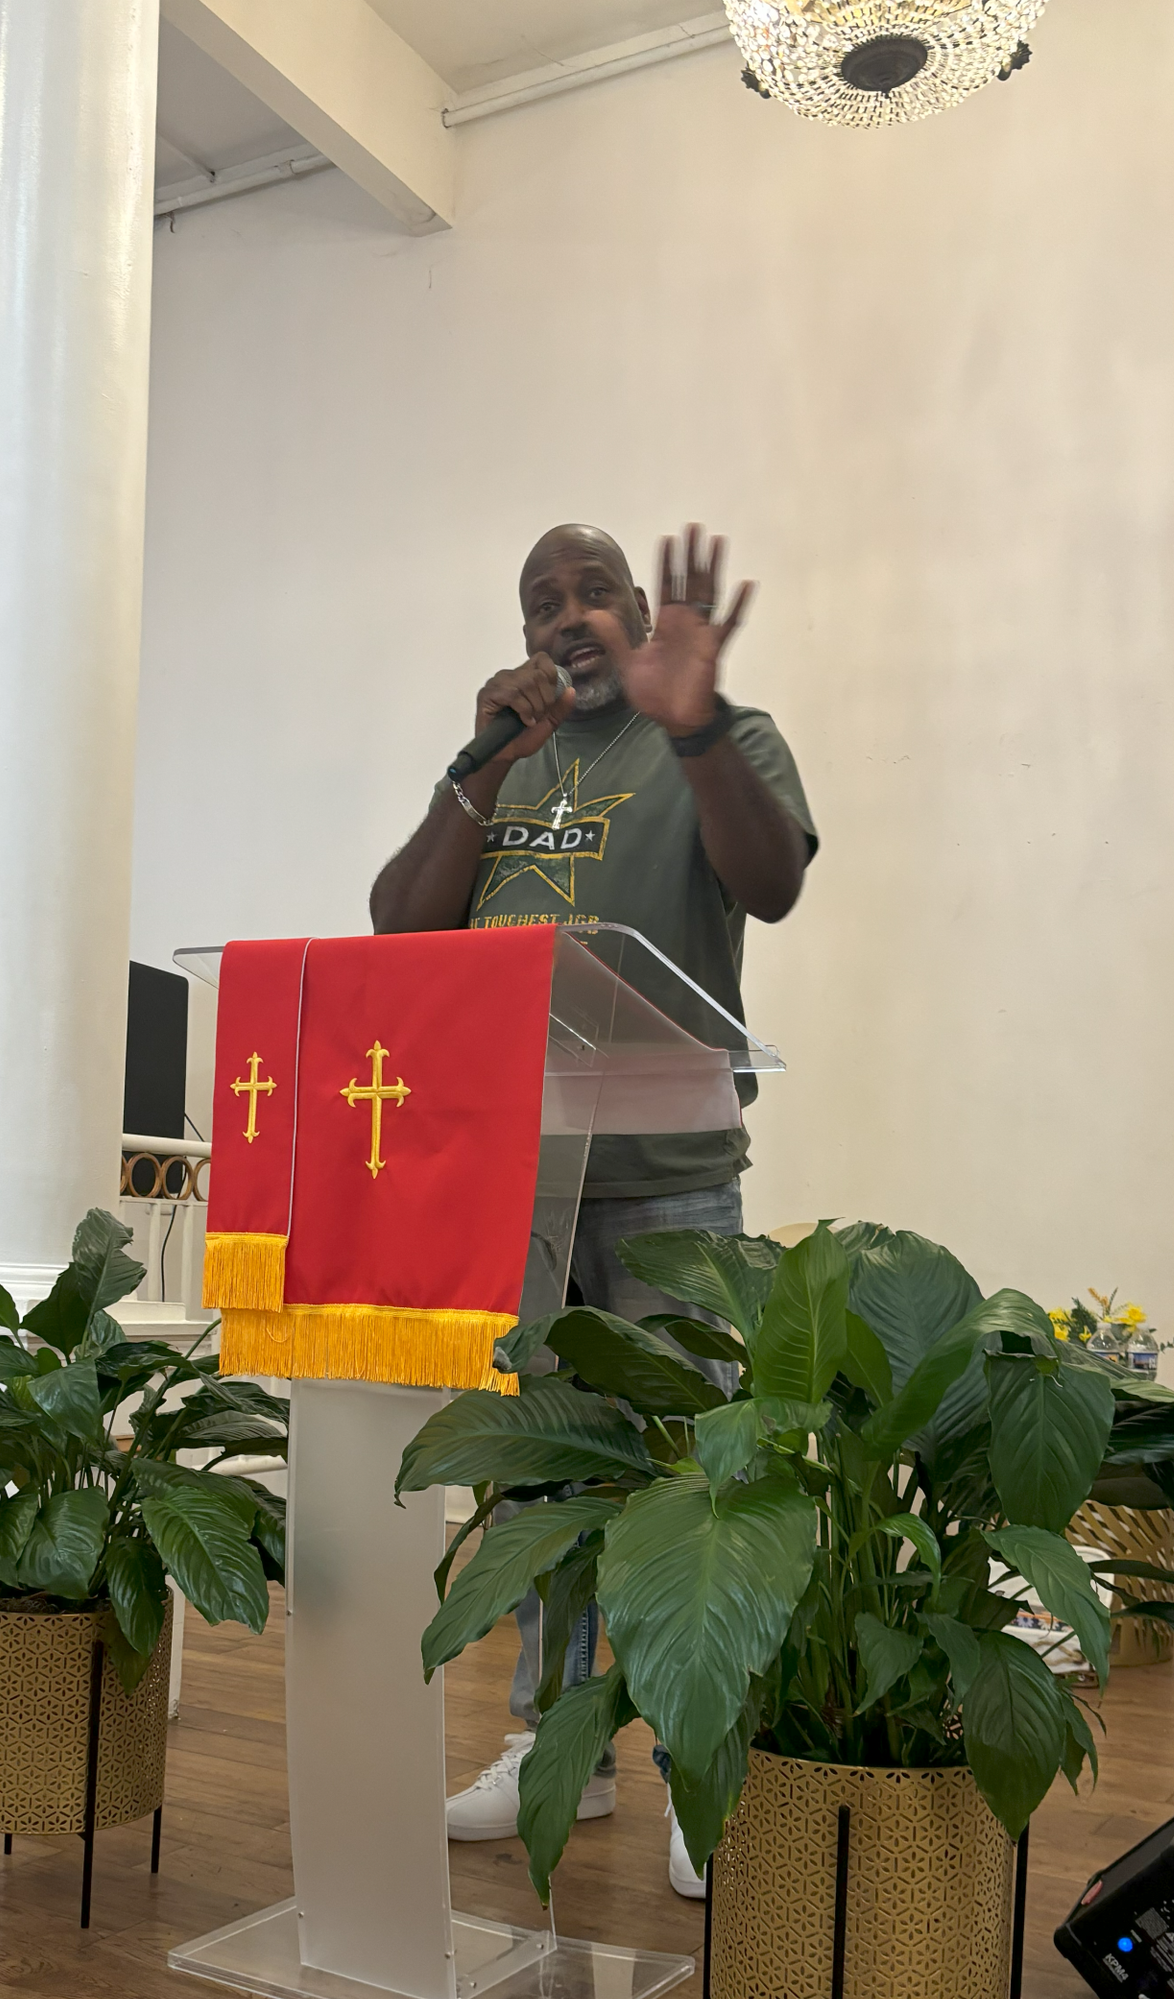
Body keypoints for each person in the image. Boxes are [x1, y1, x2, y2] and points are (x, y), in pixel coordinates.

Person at [370, 522, 816, 1895]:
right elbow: (399, 926)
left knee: (696, 1486)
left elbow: (773, 883)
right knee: (546, 1490)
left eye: (592, 592)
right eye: (539, 602)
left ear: (637, 608)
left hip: (668, 1177)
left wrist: (698, 730)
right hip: (527, 1179)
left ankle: (698, 1764)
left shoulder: (715, 741)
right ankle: (557, 1746)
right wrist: (478, 765)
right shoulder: (515, 766)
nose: (566, 617)